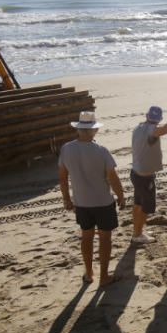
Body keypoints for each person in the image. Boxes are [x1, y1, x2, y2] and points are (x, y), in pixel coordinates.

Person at [58, 111, 126, 285]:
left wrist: (66, 199)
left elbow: (63, 177)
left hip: (82, 203)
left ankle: (89, 273)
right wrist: (121, 196)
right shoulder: (101, 151)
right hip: (103, 202)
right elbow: (113, 177)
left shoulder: (66, 149)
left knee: (86, 237)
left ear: (78, 130)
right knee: (105, 239)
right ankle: (104, 276)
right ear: (94, 131)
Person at [130, 105, 167, 245]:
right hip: (144, 176)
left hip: (136, 173)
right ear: (159, 119)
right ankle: (137, 235)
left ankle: (137, 231)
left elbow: (157, 133)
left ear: (147, 116)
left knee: (137, 204)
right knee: (144, 207)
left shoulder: (139, 127)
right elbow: (165, 130)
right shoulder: (151, 129)